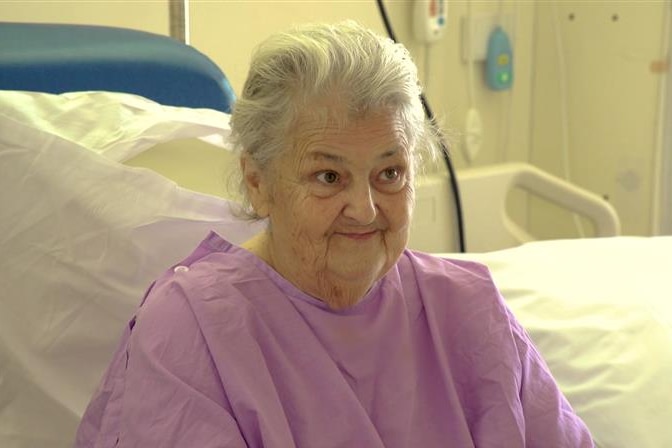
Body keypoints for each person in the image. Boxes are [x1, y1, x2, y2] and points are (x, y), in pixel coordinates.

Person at [75, 21, 593, 447]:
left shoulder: (470, 311)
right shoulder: (193, 332)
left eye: (389, 174)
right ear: (259, 183)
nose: (365, 210)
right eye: (329, 177)